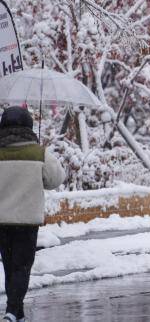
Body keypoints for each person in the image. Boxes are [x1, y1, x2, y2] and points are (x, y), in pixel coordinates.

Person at [0, 106, 65, 322]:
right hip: (27, 221)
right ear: (28, 126)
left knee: (10, 266)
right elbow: (55, 179)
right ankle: (11, 311)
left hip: (2, 221)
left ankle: (17, 314)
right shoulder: (38, 152)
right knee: (22, 267)